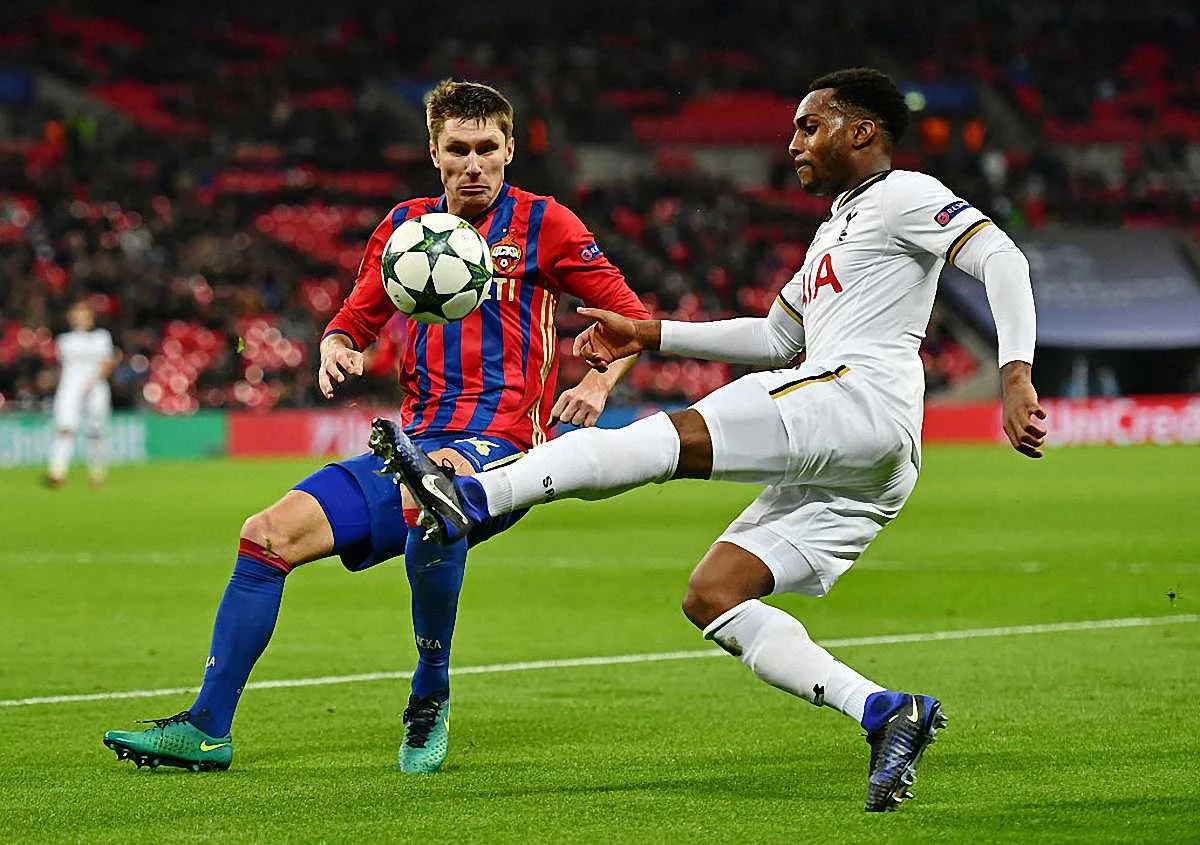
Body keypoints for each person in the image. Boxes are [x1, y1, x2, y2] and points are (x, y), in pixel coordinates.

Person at [374, 68, 1047, 812]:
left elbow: (1002, 258)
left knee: (655, 443)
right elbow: (775, 337)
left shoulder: (904, 194)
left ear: (861, 132)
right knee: (714, 595)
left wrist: (1015, 373)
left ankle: (471, 495)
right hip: (874, 458)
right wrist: (649, 333)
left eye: (809, 125)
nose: (793, 142)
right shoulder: (837, 227)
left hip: (854, 398)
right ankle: (886, 711)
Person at [102, 80, 648, 773]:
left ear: (510, 150)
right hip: (415, 443)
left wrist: (596, 383)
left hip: (504, 446)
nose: (473, 164)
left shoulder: (548, 224)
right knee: (265, 535)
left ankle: (429, 690)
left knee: (434, 501)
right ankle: (207, 728)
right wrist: (337, 346)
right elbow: (354, 318)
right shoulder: (405, 227)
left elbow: (633, 322)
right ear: (434, 152)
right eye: (458, 149)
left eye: (487, 148)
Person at [45, 300, 120, 488]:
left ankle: (97, 472)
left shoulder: (101, 337)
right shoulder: (65, 340)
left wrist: (93, 381)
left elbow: (106, 363)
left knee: (96, 430)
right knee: (65, 428)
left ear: (91, 318)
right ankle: (57, 471)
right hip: (70, 388)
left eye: (85, 315)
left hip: (96, 387)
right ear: (71, 318)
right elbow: (62, 367)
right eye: (78, 315)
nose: (81, 319)